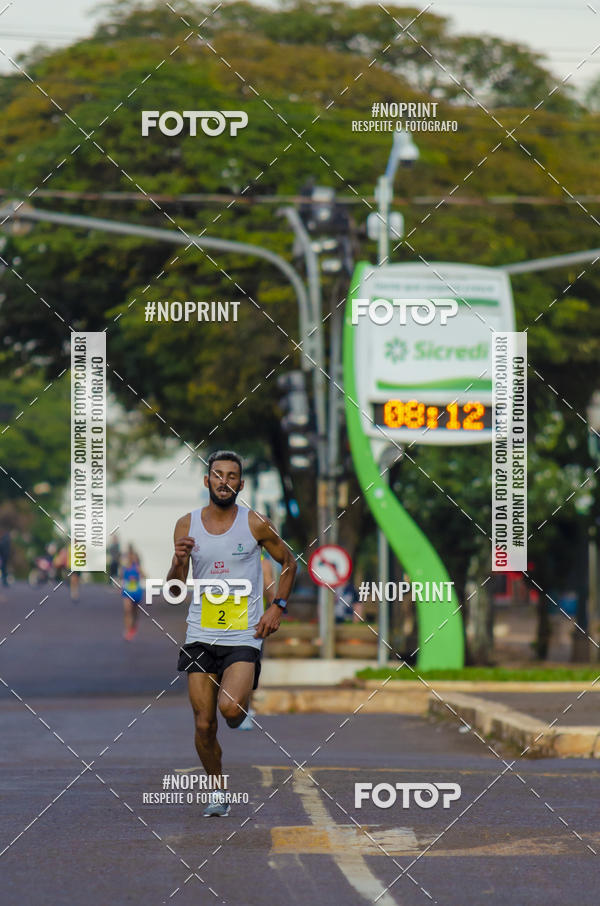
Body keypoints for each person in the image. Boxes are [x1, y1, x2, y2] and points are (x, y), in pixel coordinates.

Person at [168, 450, 297, 817]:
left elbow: (289, 562)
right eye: (217, 474)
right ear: (206, 481)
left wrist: (277, 607)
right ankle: (217, 790)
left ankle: (242, 707)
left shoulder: (255, 523)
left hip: (243, 633)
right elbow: (174, 591)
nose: (224, 481)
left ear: (240, 484)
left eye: (232, 476)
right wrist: (178, 561)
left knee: (228, 709)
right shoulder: (185, 525)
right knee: (204, 722)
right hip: (200, 633)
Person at [121, 548, 144, 641]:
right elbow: (122, 577)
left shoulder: (138, 567)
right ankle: (128, 630)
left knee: (135, 612)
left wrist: (140, 574)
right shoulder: (124, 567)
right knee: (127, 610)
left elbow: (145, 575)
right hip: (127, 592)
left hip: (136, 592)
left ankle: (133, 627)